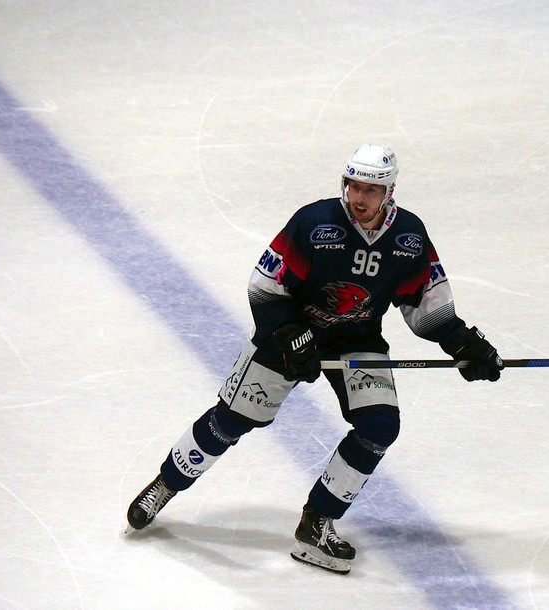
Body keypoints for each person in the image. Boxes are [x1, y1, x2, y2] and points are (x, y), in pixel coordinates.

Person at [126, 144, 503, 574]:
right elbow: (265, 287)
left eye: (371, 190)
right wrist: (289, 334)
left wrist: (462, 344)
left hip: (355, 339)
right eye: (353, 186)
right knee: (231, 420)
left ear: (390, 192)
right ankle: (165, 484)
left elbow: (426, 305)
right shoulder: (315, 223)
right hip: (286, 335)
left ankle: (316, 523)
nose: (359, 198)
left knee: (380, 425)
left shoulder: (409, 238)